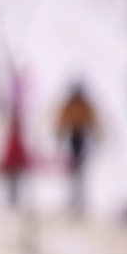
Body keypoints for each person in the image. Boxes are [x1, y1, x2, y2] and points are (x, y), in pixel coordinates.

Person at [55, 83, 99, 217]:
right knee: (74, 172)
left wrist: (95, 133)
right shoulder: (72, 105)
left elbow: (91, 120)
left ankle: (80, 200)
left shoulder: (83, 105)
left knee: (80, 172)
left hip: (82, 137)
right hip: (74, 137)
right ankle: (74, 199)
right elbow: (64, 119)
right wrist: (60, 132)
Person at [0, 107, 31, 209]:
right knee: (13, 183)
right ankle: (12, 200)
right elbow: (10, 151)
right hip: (13, 163)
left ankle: (13, 199)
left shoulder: (16, 137)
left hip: (15, 163)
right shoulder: (14, 137)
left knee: (14, 183)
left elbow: (17, 151)